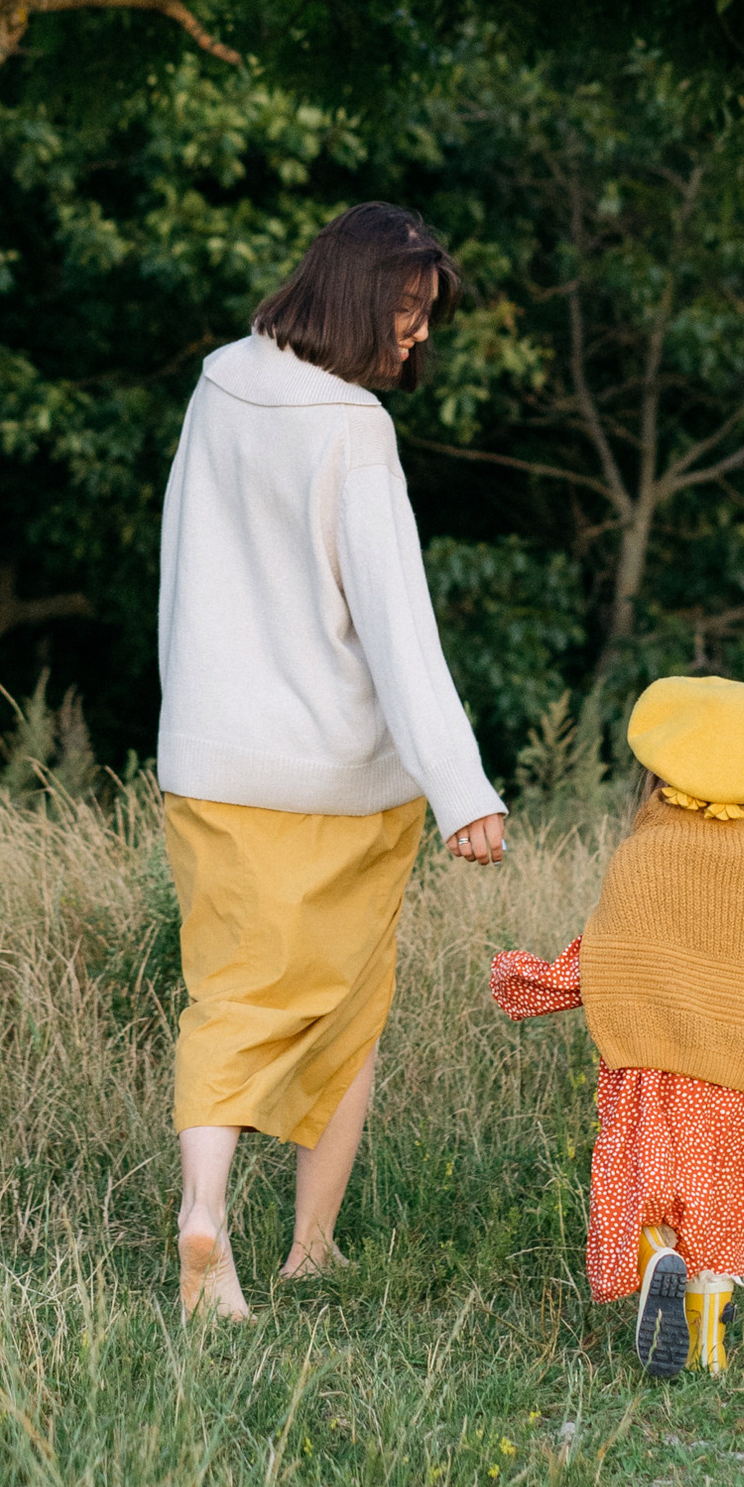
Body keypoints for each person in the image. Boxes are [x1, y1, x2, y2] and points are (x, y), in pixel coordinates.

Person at [158, 201, 506, 1320]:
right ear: (357, 298)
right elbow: (399, 627)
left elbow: (182, 559)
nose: (419, 335)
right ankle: (310, 1248)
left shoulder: (218, 380)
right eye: (408, 311)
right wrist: (461, 788)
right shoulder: (354, 429)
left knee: (229, 998)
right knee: (346, 1009)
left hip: (208, 764)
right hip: (334, 782)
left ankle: (205, 1213)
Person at [489, 676, 744, 1380]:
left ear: (656, 774)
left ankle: (655, 1258)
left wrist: (521, 981)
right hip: (740, 1080)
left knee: (647, 1189)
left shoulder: (642, 859)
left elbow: (605, 960)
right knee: (721, 1213)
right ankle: (709, 1352)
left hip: (652, 1072)